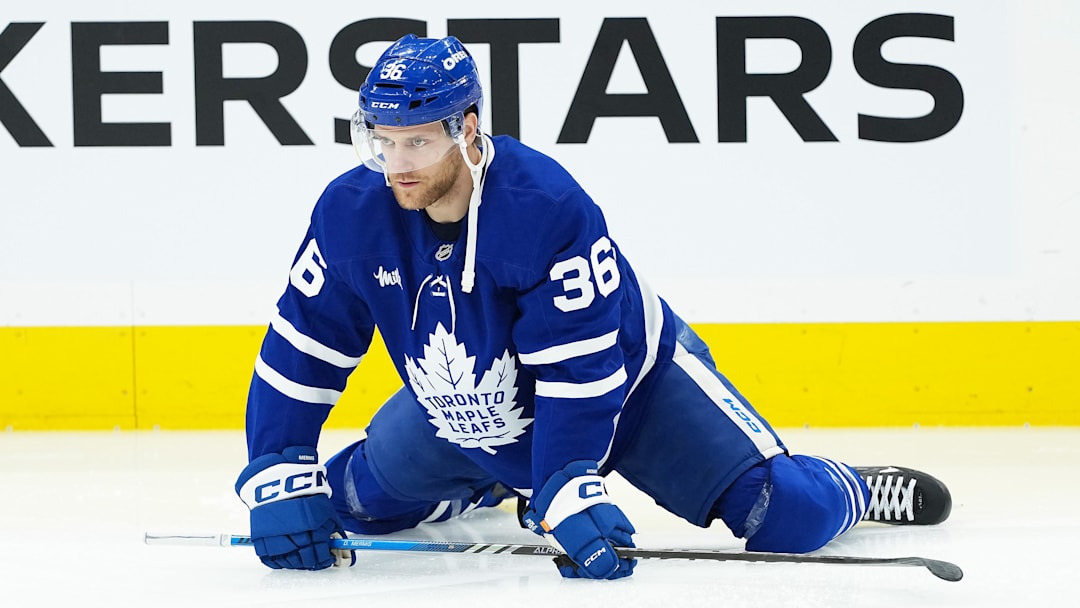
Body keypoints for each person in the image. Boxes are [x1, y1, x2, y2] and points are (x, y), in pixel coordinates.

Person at [234, 34, 952, 580]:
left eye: (417, 142)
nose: (398, 165)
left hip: (632, 390)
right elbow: (303, 348)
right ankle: (487, 482)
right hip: (466, 404)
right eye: (383, 142)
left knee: (788, 512)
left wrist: (567, 481)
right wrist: (276, 466)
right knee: (348, 504)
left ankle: (856, 488)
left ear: (467, 129)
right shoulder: (349, 212)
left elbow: (581, 371)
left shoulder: (543, 206)